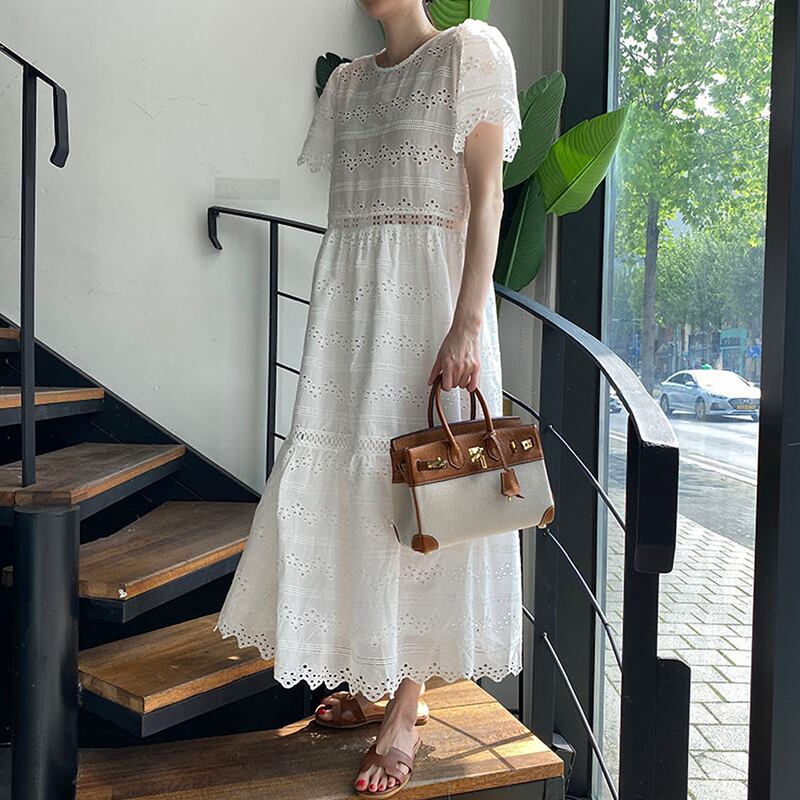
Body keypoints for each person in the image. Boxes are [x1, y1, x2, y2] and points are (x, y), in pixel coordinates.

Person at [215, 0, 524, 795]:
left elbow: (486, 198)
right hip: (353, 318)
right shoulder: (347, 85)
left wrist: (467, 325)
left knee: (428, 498)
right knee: (358, 497)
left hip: (432, 313)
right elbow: (351, 225)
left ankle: (406, 707)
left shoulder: (469, 52)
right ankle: (375, 670)